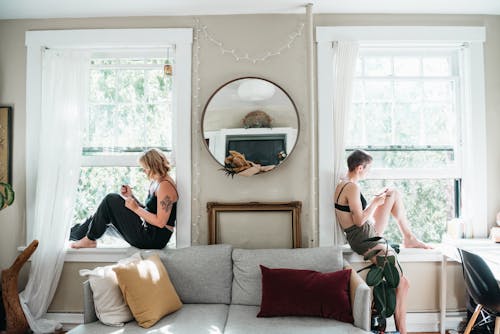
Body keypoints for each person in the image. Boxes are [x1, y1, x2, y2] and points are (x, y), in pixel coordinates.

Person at [334, 149, 431, 334]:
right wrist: (375, 203)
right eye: (367, 170)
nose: (368, 174)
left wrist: (377, 201)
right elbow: (359, 221)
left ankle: (409, 238)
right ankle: (403, 331)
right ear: (360, 167)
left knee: (391, 193)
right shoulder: (352, 188)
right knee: (403, 283)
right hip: (365, 238)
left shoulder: (342, 184)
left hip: (364, 233)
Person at [70, 148, 178, 249]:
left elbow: (160, 222)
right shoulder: (156, 182)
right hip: (150, 232)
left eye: (145, 168)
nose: (143, 171)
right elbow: (150, 211)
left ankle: (89, 239)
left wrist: (135, 209)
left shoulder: (165, 186)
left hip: (153, 239)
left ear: (153, 166)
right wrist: (131, 197)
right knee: (102, 215)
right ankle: (71, 235)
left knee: (111, 199)